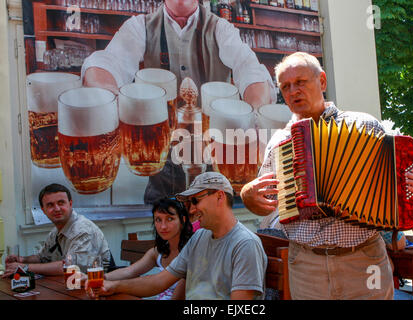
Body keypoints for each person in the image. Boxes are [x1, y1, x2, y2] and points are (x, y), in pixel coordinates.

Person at [240, 52, 413, 300]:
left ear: (321, 81)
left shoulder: (365, 125)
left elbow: (400, 182)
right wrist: (247, 195)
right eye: (286, 86)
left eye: (300, 82)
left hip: (364, 260)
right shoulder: (279, 142)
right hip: (306, 263)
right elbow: (264, 203)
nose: (293, 91)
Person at [81, 0, 277, 204]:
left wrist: (254, 114)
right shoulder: (140, 26)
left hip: (216, 162)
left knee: (215, 229)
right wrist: (108, 97)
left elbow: (249, 69)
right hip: (163, 163)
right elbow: (107, 62)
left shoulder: (220, 28)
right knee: (165, 227)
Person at [87, 172, 267, 299]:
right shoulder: (199, 237)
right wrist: (113, 286)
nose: (192, 209)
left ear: (220, 197)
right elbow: (159, 281)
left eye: (195, 200)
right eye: (189, 203)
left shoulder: (245, 244)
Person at [2, 184, 111, 277]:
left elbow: (71, 268)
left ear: (70, 204)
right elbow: (42, 257)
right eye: (50, 205)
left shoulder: (82, 230)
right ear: (43, 210)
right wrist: (22, 260)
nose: (57, 209)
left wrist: (25, 267)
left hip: (95, 288)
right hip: (70, 285)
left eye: (61, 203)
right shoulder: (56, 231)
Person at [98, 197, 193, 300]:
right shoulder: (158, 252)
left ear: (182, 220)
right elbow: (129, 271)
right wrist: (100, 279)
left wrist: (113, 286)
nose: (163, 226)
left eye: (170, 219)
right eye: (158, 220)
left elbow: (177, 298)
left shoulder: (191, 251)